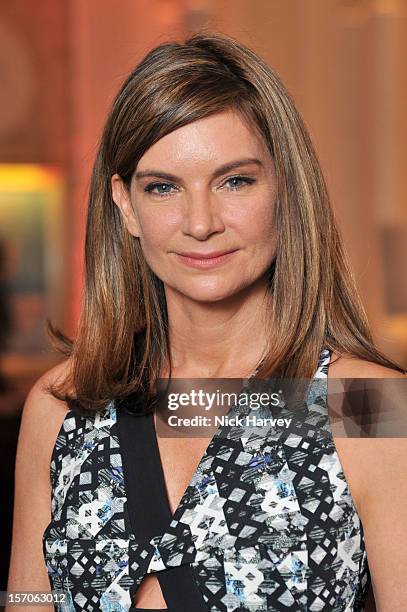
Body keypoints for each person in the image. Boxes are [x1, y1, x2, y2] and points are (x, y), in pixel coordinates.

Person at [7, 31, 407, 612]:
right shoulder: (64, 403)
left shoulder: (367, 404)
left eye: (235, 180)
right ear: (125, 204)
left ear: (284, 189)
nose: (200, 222)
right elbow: (25, 595)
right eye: (163, 187)